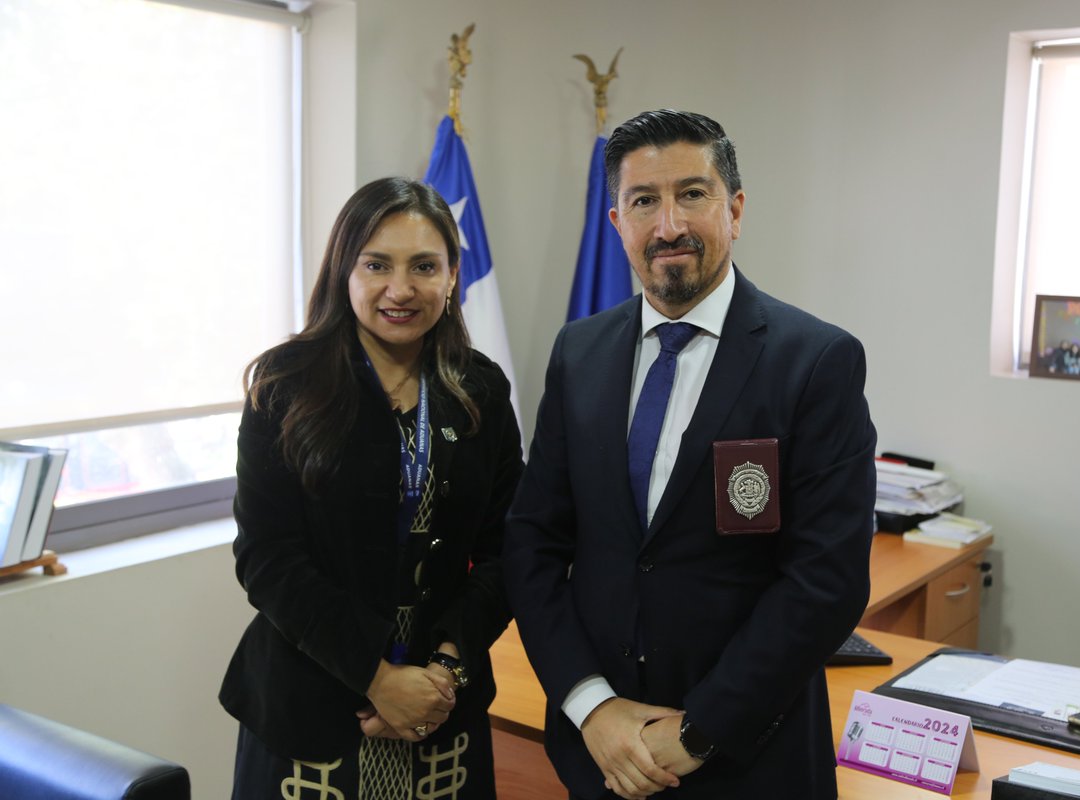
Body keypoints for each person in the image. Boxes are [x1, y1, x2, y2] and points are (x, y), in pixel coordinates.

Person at [503, 110, 877, 799]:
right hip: (605, 759)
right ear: (617, 222)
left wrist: (700, 732)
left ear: (734, 210)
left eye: (692, 195)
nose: (668, 225)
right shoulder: (578, 354)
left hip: (748, 760)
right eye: (643, 201)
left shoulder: (815, 360)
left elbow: (826, 581)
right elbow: (533, 543)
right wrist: (592, 706)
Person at [220, 177, 523, 799]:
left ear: (453, 276)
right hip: (312, 699)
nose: (400, 289)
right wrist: (378, 677)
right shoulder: (285, 387)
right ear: (344, 271)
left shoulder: (482, 390)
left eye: (424, 266)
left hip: (445, 707)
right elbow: (266, 556)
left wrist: (441, 672)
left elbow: (508, 549)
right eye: (377, 264)